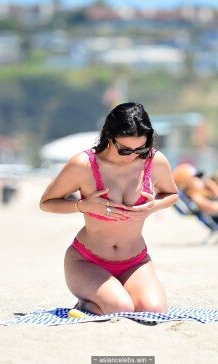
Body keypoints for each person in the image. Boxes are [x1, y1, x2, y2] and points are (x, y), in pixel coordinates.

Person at [40, 102, 179, 315]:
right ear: (109, 136)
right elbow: (47, 203)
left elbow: (172, 194)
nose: (133, 155)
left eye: (140, 148)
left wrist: (153, 207)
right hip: (87, 261)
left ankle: (114, 294)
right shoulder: (83, 164)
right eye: (124, 149)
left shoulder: (155, 161)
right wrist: (82, 205)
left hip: (135, 261)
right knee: (120, 308)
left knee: (153, 311)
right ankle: (86, 303)